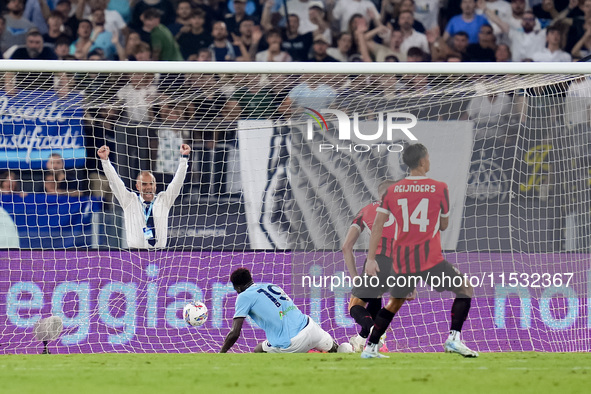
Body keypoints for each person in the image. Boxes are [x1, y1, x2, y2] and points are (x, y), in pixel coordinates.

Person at [360, 143, 477, 359]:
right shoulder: (440, 188)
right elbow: (443, 226)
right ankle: (454, 338)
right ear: (423, 161)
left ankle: (370, 347)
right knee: (465, 289)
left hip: (403, 258)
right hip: (429, 257)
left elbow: (377, 226)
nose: (430, 161)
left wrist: (370, 258)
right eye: (429, 158)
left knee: (394, 303)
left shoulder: (392, 191)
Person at [344, 180, 416, 352]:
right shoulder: (409, 214)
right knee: (375, 297)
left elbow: (346, 246)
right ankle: (363, 341)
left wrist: (355, 278)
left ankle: (376, 331)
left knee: (355, 306)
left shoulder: (367, 210)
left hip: (378, 261)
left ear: (380, 194)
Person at [220, 268, 339, 353]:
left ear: (238, 287)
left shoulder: (243, 296)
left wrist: (222, 353)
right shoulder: (270, 286)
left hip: (293, 342)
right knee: (336, 349)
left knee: (258, 350)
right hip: (312, 328)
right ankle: (347, 348)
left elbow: (235, 333)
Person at [97, 144, 190, 249]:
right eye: (144, 184)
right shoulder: (129, 201)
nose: (148, 187)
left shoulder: (163, 200)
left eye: (151, 183)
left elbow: (177, 183)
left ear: (155, 186)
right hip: (135, 256)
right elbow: (115, 182)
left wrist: (184, 159)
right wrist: (105, 161)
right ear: (137, 186)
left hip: (159, 255)